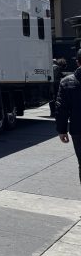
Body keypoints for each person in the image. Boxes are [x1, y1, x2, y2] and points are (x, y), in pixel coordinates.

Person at [56, 49, 81, 184]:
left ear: (77, 62)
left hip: (78, 129)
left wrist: (62, 130)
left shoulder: (66, 82)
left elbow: (61, 108)